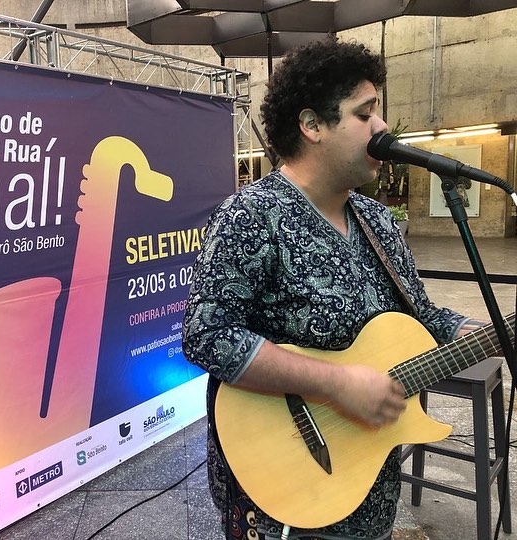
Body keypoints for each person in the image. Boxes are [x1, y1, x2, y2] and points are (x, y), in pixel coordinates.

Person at [182, 37, 483, 540]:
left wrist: (483, 331)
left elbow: (422, 316)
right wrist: (337, 384)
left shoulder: (377, 222)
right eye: (365, 113)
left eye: (379, 111)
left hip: (367, 485)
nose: (383, 127)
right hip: (280, 493)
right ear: (312, 125)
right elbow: (206, 334)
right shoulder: (252, 215)